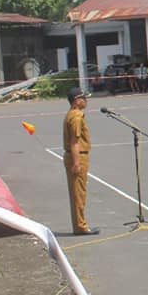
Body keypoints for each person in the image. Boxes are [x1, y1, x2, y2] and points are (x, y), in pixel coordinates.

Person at [63, 87, 98, 235]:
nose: (86, 101)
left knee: (77, 191)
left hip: (74, 155)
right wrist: (77, 163)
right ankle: (81, 226)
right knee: (79, 192)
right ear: (77, 101)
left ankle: (79, 224)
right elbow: (75, 141)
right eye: (84, 98)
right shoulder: (76, 116)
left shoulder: (71, 114)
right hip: (78, 155)